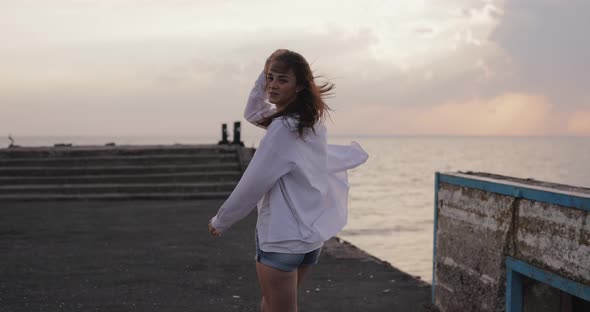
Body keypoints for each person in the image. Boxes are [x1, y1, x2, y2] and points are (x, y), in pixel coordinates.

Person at [208, 49, 368, 312]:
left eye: (282, 80)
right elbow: (254, 113)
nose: (272, 85)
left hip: (282, 238)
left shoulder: (282, 129)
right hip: (309, 240)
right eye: (270, 78)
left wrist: (222, 220)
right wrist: (267, 68)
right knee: (270, 306)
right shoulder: (310, 124)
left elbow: (254, 182)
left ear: (300, 86)